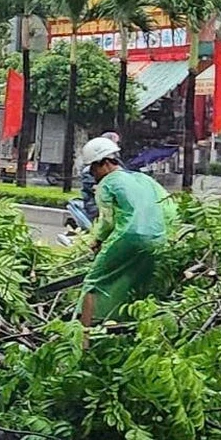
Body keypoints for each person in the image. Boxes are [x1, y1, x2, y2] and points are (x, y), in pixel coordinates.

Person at [78, 136, 175, 327]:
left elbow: (107, 220)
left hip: (127, 238)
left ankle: (83, 338)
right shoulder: (145, 179)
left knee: (92, 282)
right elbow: (170, 208)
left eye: (93, 169)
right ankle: (130, 328)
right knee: (138, 283)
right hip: (157, 239)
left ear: (104, 163)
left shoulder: (107, 184)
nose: (93, 174)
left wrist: (97, 240)